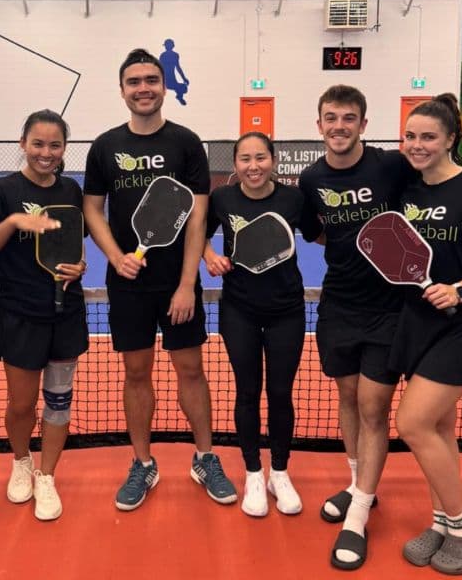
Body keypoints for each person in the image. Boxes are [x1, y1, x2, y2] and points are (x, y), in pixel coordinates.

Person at [83, 48, 236, 511]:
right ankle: (143, 463)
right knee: (136, 373)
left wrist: (188, 283)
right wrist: (115, 256)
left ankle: (205, 457)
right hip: (127, 282)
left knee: (191, 369)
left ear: (163, 86)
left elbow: (197, 214)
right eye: (134, 81)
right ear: (123, 89)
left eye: (151, 79)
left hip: (176, 283)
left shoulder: (187, 142)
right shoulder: (105, 146)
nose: (144, 88)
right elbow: (93, 207)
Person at [298, 84, 415, 570]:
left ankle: (358, 514)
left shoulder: (390, 166)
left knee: (373, 407)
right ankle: (358, 484)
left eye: (349, 118)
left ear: (364, 125)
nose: (339, 126)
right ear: (319, 124)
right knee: (347, 399)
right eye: (331, 118)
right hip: (339, 304)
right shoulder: (311, 178)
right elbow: (318, 230)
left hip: (390, 308)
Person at [0, 110, 88, 522]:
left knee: (58, 402)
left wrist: (80, 267)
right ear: (23, 143)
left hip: (66, 312)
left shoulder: (72, 190)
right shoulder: (1, 191)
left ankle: (47, 474)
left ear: (63, 150)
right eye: (37, 144)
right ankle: (21, 461)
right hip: (20, 312)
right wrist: (15, 221)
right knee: (22, 403)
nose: (45, 153)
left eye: (54, 145)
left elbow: (76, 246)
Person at [204, 132, 319, 517]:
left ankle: (279, 473)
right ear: (235, 164)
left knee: (282, 394)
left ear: (273, 160)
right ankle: (254, 472)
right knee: (248, 392)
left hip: (287, 307)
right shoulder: (222, 198)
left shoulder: (293, 198)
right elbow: (198, 236)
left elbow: (318, 234)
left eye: (260, 158)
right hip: (240, 309)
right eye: (245, 159)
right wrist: (209, 256)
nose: (253, 166)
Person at [387, 95, 462, 574]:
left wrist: (459, 289)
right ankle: (440, 519)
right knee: (440, 428)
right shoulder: (410, 192)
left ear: (450, 141)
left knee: (413, 423)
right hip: (418, 321)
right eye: (410, 136)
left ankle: (461, 525)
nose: (416, 145)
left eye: (427, 137)